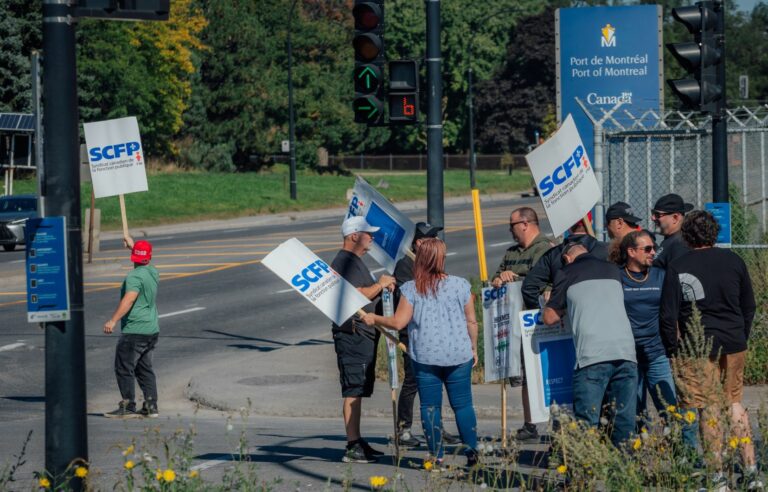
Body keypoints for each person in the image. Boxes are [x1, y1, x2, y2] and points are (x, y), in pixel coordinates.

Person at [660, 211, 759, 488]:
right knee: (735, 403)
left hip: (696, 347)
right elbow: (748, 305)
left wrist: (673, 348)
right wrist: (741, 336)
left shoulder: (678, 267)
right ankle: (750, 471)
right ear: (714, 233)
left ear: (687, 235)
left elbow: (668, 315)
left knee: (709, 409)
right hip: (734, 342)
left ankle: (717, 477)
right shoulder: (734, 261)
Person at [363, 238, 479, 467]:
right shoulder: (461, 285)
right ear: (442, 259)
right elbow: (471, 321)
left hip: (426, 356)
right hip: (458, 354)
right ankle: (473, 453)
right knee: (463, 405)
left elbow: (398, 323)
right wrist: (473, 347)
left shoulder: (411, 289)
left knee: (430, 406)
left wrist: (373, 318)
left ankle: (436, 456)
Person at [542, 242, 638, 447]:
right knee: (624, 422)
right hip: (626, 352)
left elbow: (549, 317)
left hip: (592, 356)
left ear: (567, 258)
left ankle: (581, 476)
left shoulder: (566, 273)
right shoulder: (613, 270)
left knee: (587, 423)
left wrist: (555, 300)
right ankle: (624, 473)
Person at [615, 230, 699, 444]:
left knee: (669, 405)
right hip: (627, 355)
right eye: (647, 249)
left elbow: (675, 312)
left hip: (657, 352)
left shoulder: (661, 275)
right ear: (631, 252)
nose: (653, 252)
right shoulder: (616, 277)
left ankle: (682, 455)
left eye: (653, 248)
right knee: (631, 409)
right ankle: (635, 454)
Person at [332, 216, 396, 463]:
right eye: (368, 233)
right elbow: (356, 295)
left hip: (362, 334)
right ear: (353, 236)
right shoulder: (344, 261)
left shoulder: (354, 261)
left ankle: (357, 439)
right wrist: (380, 284)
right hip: (352, 333)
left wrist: (382, 286)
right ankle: (352, 445)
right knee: (353, 389)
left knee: (359, 388)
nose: (372, 237)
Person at [392, 222, 460, 447]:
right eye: (432, 238)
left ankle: (436, 428)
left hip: (432, 332)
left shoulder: (429, 265)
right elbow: (410, 299)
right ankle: (403, 430)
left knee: (433, 382)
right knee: (412, 381)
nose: (437, 242)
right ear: (420, 243)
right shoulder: (405, 266)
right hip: (411, 333)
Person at [490, 206, 553, 442]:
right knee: (526, 377)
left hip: (542, 323)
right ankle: (530, 424)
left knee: (545, 374)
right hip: (518, 324)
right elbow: (496, 277)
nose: (510, 230)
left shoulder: (545, 249)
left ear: (525, 224)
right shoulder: (511, 253)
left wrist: (516, 278)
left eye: (512, 225)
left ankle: (556, 421)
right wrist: (499, 279)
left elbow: (547, 281)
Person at [103, 236, 161, 419]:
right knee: (144, 369)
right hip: (151, 329)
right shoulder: (152, 272)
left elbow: (129, 300)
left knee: (123, 367)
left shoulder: (134, 277)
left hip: (134, 330)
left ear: (133, 258)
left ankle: (128, 406)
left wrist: (113, 320)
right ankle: (151, 406)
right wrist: (133, 246)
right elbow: (144, 260)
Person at [521, 219, 609, 309]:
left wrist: (541, 312)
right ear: (591, 222)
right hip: (602, 312)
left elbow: (529, 287)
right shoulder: (607, 250)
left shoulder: (553, 254)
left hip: (564, 317)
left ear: (569, 227)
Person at [651, 193, 692, 269]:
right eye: (653, 213)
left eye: (657, 215)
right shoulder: (671, 239)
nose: (652, 218)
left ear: (675, 218)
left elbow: (678, 277)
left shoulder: (680, 244)